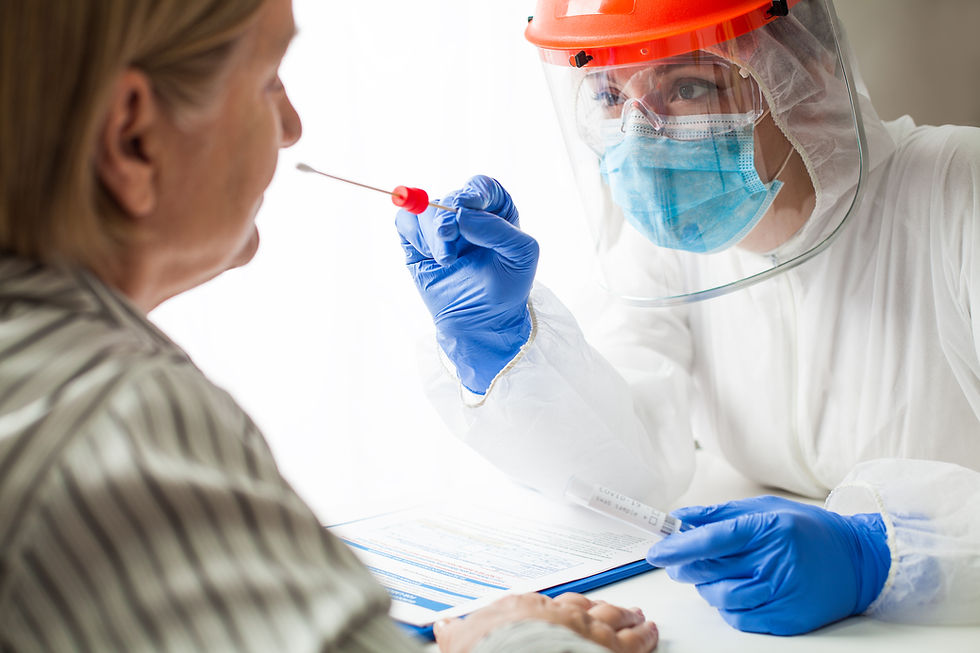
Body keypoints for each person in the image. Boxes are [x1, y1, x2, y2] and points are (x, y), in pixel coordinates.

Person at [0, 1, 662, 651]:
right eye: (268, 81)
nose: (291, 127)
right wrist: (506, 637)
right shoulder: (117, 419)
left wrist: (501, 345)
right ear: (132, 139)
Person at [396, 0, 980, 637]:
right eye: (610, 94)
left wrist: (888, 554)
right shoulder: (674, 248)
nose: (642, 132)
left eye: (689, 85)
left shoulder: (961, 196)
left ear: (805, 77)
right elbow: (624, 472)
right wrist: (503, 351)